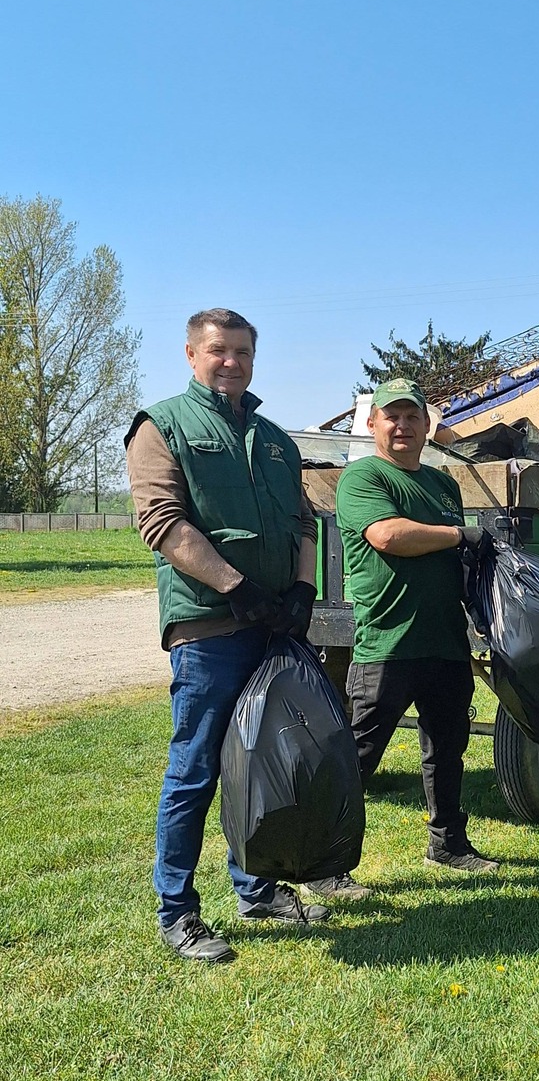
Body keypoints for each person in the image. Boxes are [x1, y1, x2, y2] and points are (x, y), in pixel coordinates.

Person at [126, 308, 328, 963]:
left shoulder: (275, 440)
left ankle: (257, 888)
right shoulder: (162, 427)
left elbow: (304, 525)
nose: (231, 362)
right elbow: (161, 521)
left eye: (242, 351)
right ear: (191, 354)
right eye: (218, 351)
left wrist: (300, 590)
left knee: (263, 762)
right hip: (210, 628)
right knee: (197, 770)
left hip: (274, 627)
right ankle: (177, 911)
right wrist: (235, 586)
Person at [333, 378, 498, 875]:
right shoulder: (364, 478)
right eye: (392, 416)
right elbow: (387, 535)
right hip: (388, 642)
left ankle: (448, 843)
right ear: (372, 423)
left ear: (428, 426)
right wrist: (457, 533)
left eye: (412, 417)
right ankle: (323, 861)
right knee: (357, 757)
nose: (402, 425)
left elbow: (455, 559)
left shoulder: (443, 483)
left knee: (447, 750)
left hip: (445, 640)